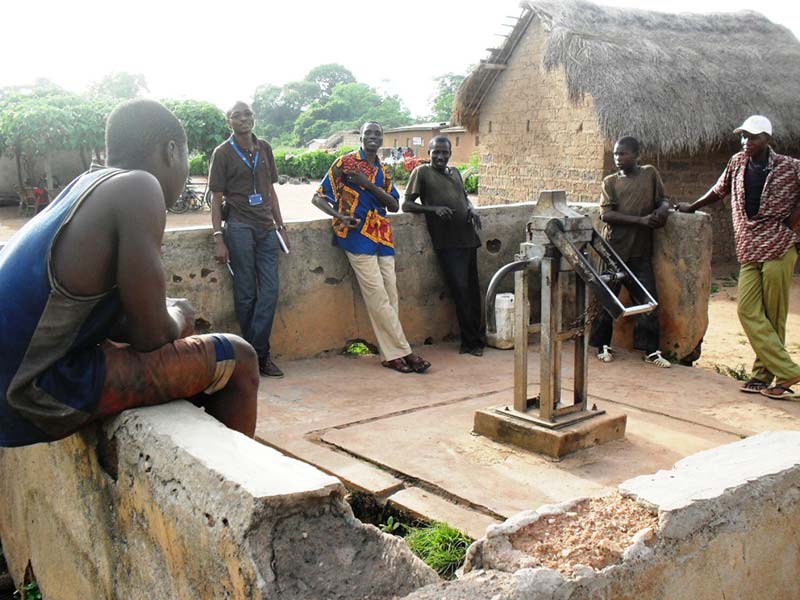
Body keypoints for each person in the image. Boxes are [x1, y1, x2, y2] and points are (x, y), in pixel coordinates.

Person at [0, 99, 259, 448]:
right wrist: (180, 313)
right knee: (238, 357)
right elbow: (151, 336)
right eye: (185, 156)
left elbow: (91, 314)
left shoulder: (85, 183)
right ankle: (234, 485)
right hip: (26, 395)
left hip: (15, 379)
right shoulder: (139, 187)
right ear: (171, 151)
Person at [678, 115, 800, 399]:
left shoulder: (790, 166)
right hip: (748, 246)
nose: (747, 142)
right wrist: (692, 205)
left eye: (753, 137)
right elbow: (719, 189)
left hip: (779, 246)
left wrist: (793, 223)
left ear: (767, 139)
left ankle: (765, 376)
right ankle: (787, 369)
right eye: (743, 136)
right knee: (747, 309)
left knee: (773, 314)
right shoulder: (737, 162)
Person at [311, 122, 431, 374]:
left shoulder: (383, 170)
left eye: (377, 134)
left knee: (390, 295)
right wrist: (340, 217)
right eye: (368, 133)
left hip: (382, 235)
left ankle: (390, 355)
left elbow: (394, 204)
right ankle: (405, 351)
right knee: (377, 295)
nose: (373, 137)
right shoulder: (344, 163)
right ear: (361, 137)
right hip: (355, 235)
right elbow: (318, 197)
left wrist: (367, 184)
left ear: (382, 138)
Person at [209, 101, 287, 378]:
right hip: (239, 227)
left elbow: (270, 190)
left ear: (254, 117)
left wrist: (280, 223)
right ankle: (260, 357)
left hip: (266, 228)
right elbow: (215, 199)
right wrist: (219, 237)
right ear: (228, 121)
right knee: (245, 293)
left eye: (248, 114)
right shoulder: (222, 153)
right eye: (237, 116)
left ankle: (253, 355)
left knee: (270, 289)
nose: (244, 119)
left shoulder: (264, 147)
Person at [590, 136, 672, 368]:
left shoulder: (649, 175)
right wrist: (641, 220)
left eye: (623, 153)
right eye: (616, 154)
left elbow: (663, 199)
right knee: (607, 298)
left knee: (648, 300)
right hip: (614, 250)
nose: (618, 158)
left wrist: (663, 210)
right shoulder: (610, 182)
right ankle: (602, 345)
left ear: (637, 155)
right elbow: (606, 214)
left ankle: (651, 350)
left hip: (640, 251)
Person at [403, 136, 484, 355]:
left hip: (467, 237)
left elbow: (464, 198)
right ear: (428, 153)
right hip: (447, 242)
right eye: (435, 152)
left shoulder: (455, 173)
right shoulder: (422, 173)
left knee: (474, 292)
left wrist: (472, 209)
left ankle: (478, 338)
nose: (440, 157)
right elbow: (407, 204)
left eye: (444, 153)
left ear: (450, 153)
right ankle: (469, 343)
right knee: (460, 291)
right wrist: (433, 209)